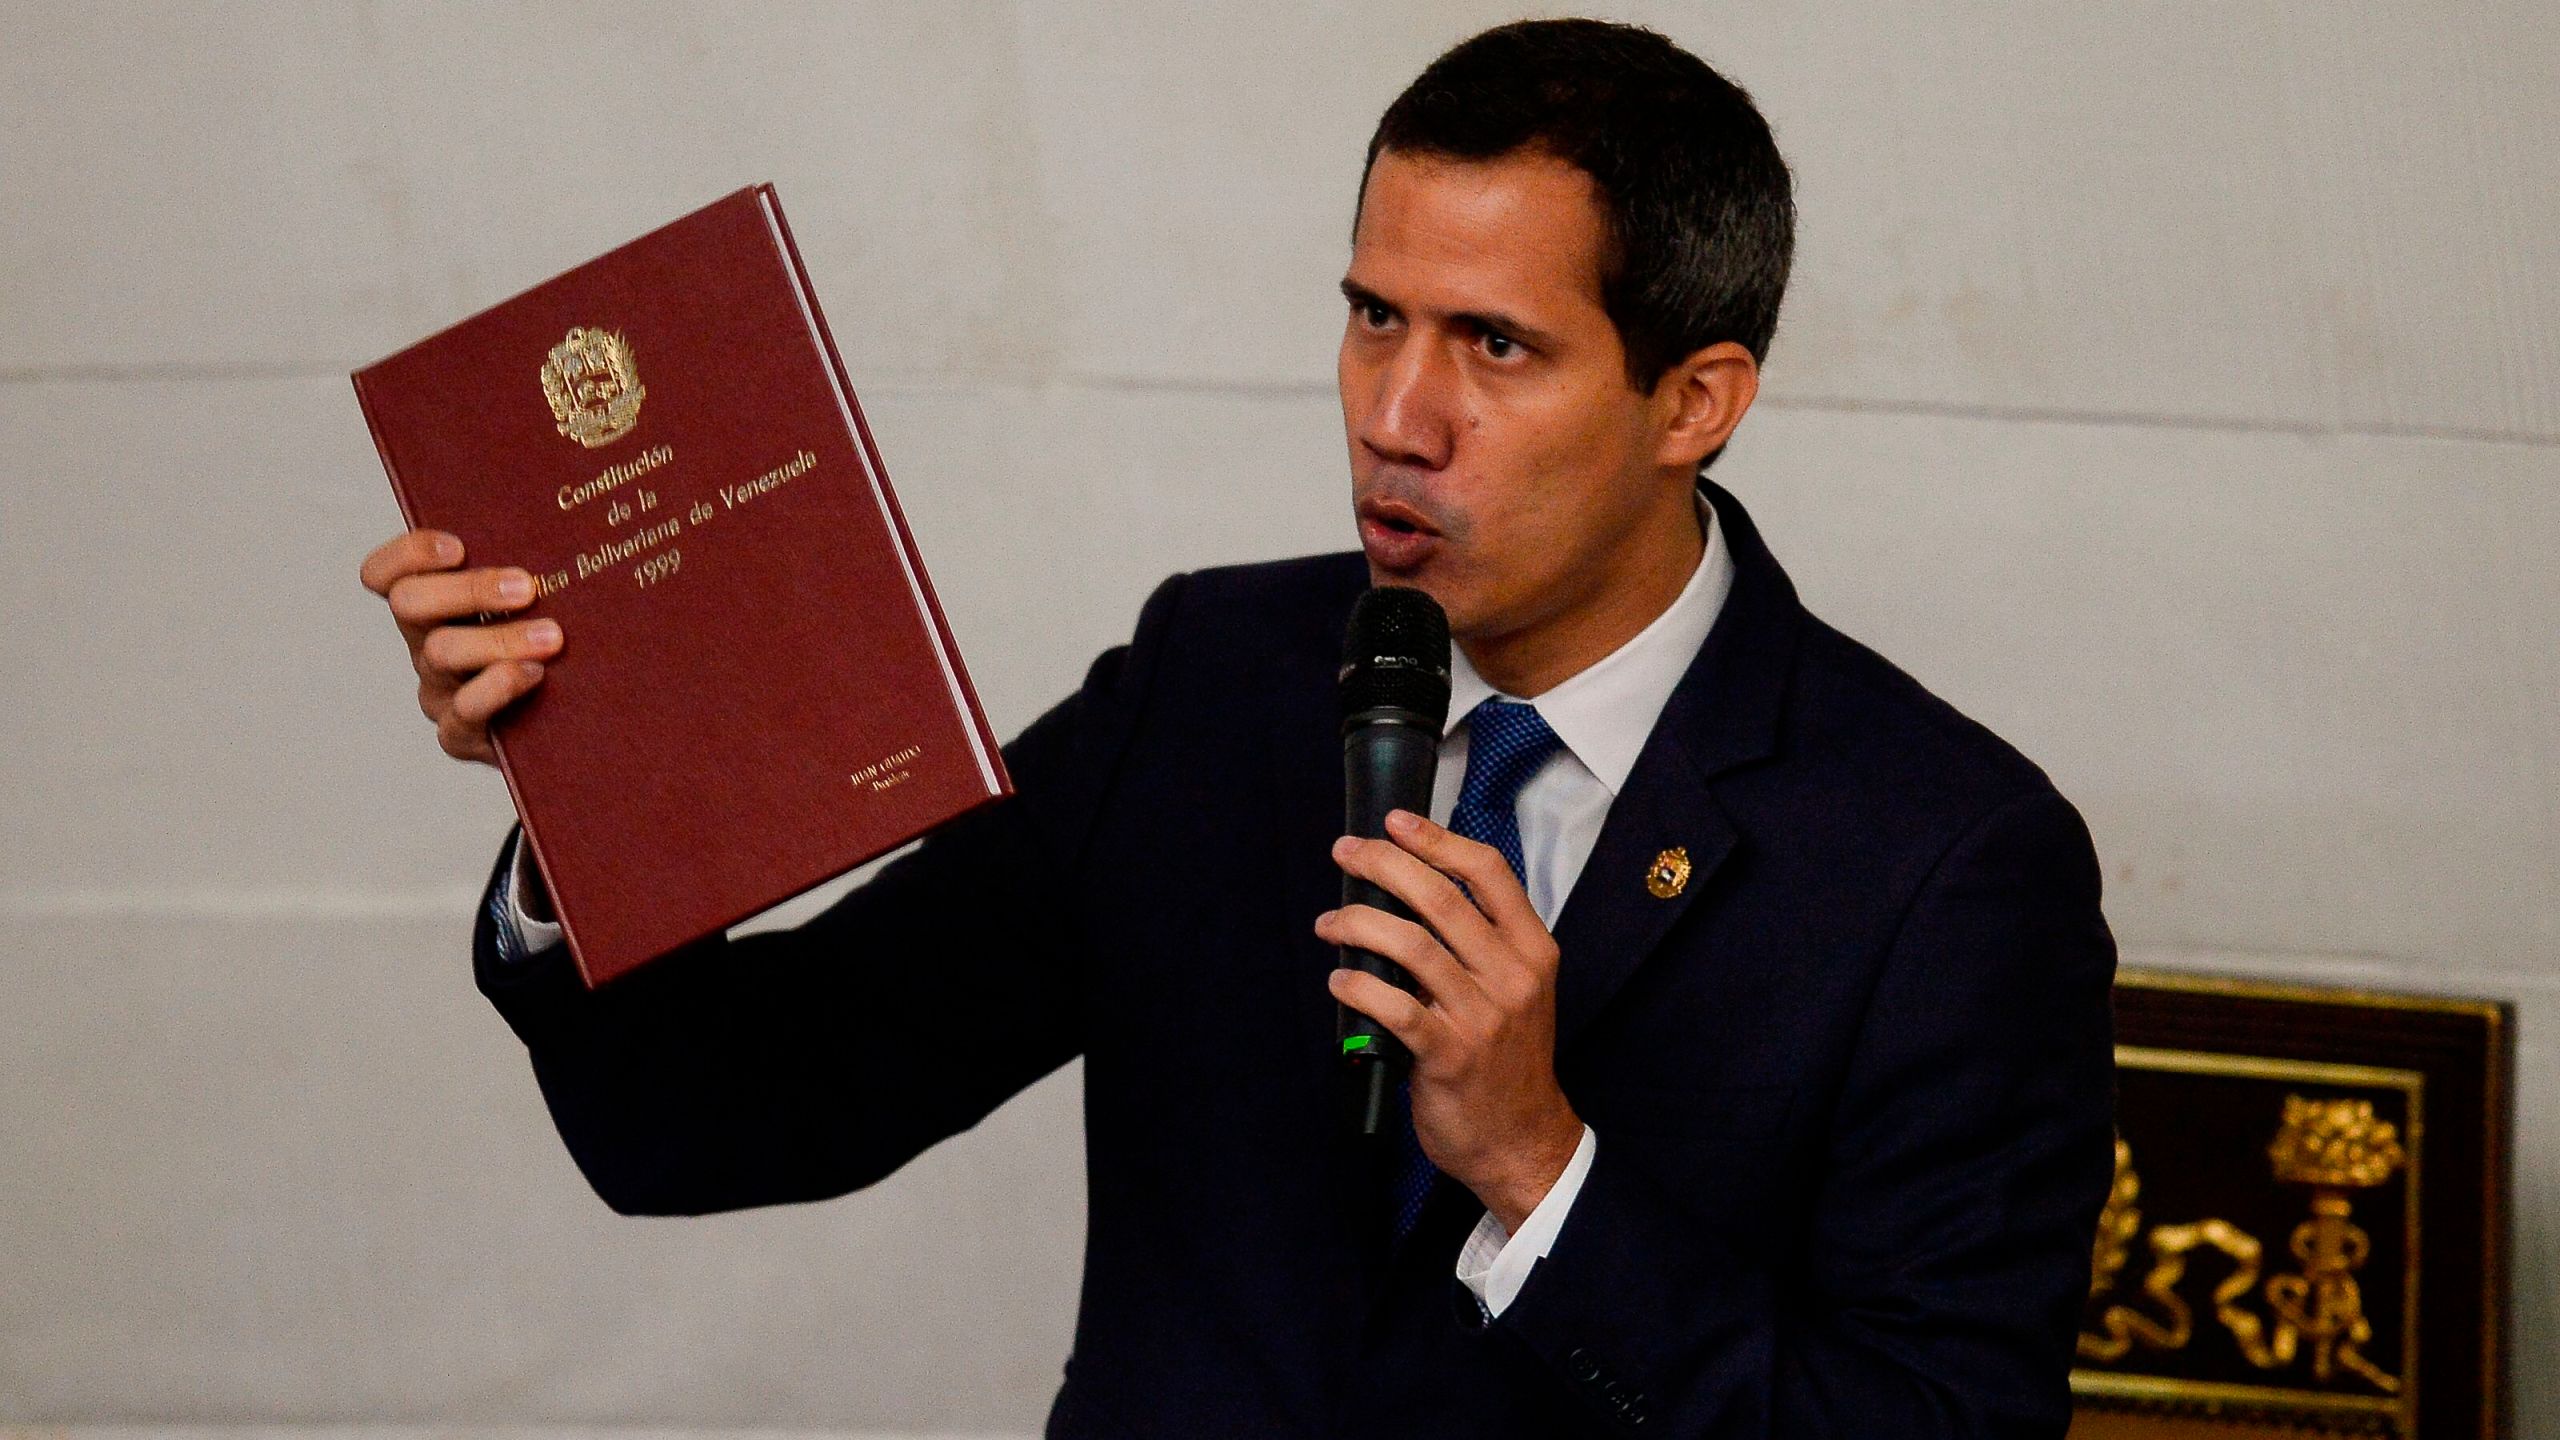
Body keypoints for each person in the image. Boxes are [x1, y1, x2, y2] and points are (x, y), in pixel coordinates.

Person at [358, 19, 2116, 1437]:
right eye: (1371, 317)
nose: (1397, 417)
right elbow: (750, 1110)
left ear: (1696, 401)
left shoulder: (1946, 861)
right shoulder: (1215, 678)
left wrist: (1540, 1169)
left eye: (1495, 346)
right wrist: (583, 767)